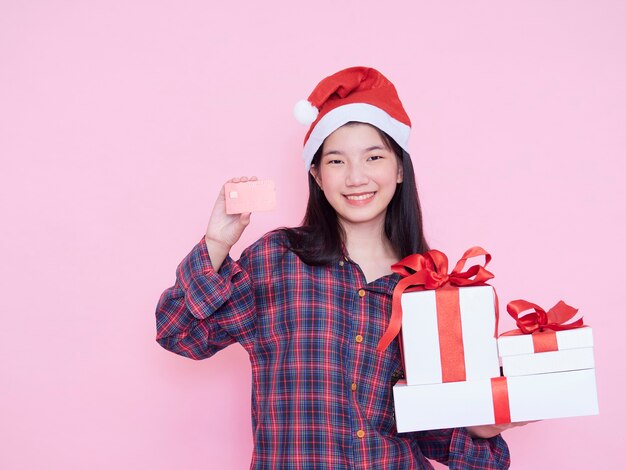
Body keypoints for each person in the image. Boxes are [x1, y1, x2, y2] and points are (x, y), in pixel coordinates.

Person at [155, 67, 517, 469]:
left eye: (374, 157)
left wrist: (487, 420)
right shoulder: (278, 260)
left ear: (399, 169)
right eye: (336, 161)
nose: (356, 177)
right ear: (317, 175)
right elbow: (179, 333)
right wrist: (217, 243)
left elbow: (427, 422)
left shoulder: (427, 284)